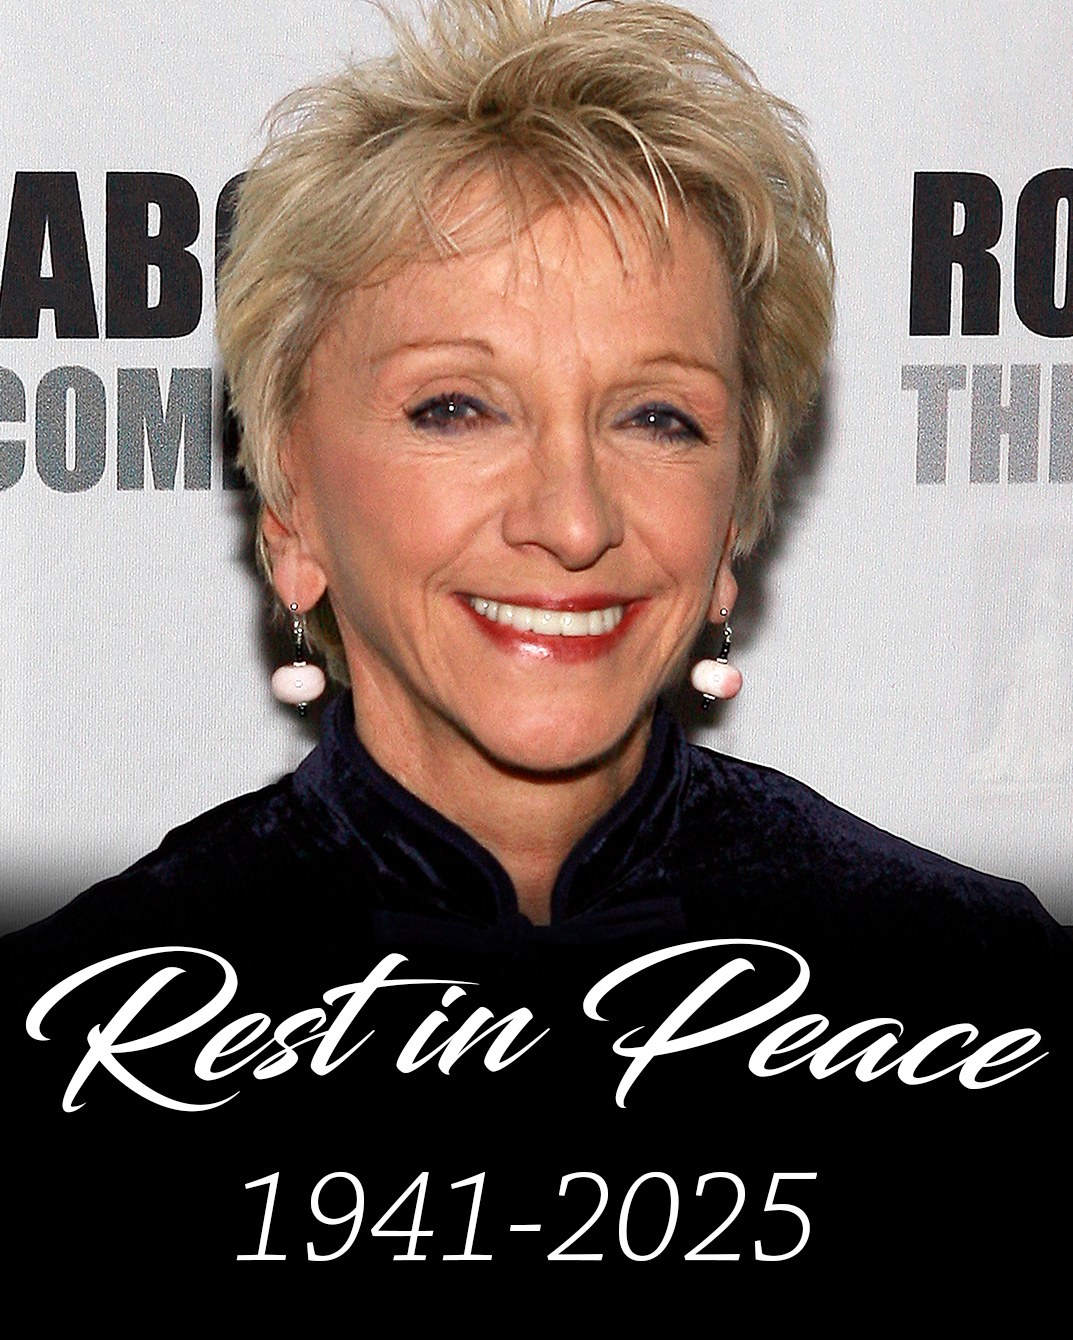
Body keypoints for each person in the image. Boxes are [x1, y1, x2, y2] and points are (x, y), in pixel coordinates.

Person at [2, 0, 1067, 1302]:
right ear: (292, 514)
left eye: (657, 417)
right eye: (458, 407)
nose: (571, 520)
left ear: (733, 521)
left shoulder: (975, 990)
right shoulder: (84, 1029)